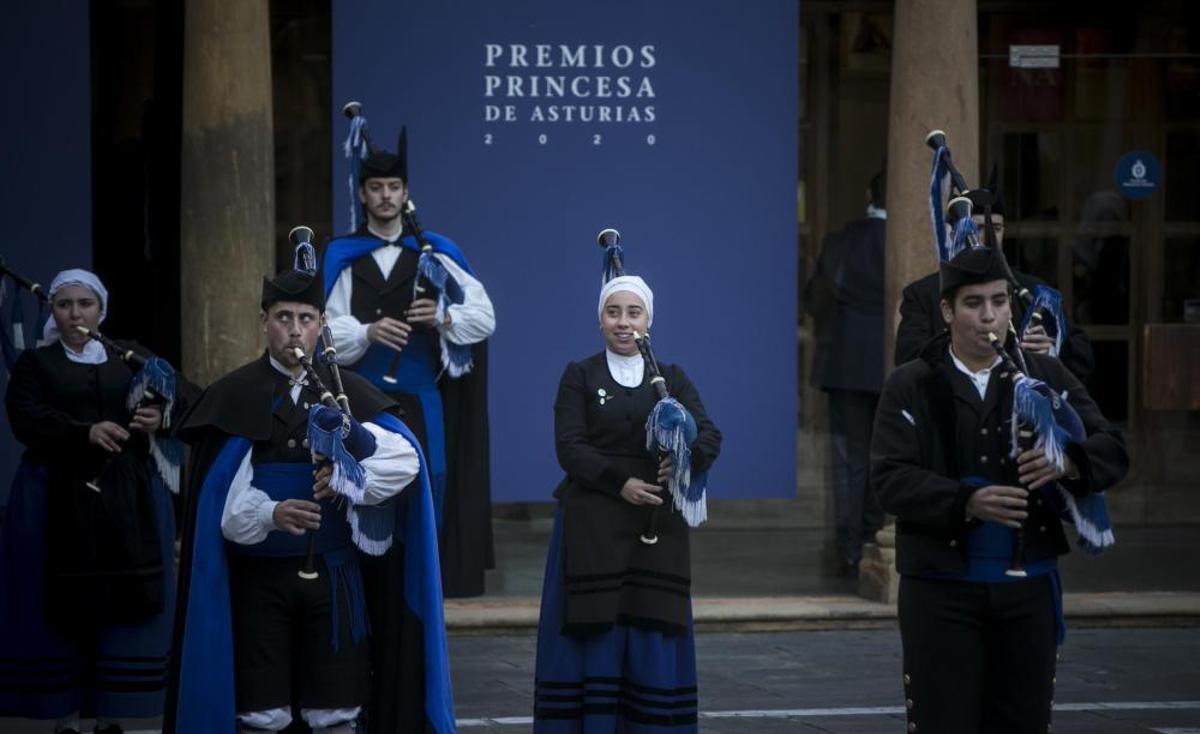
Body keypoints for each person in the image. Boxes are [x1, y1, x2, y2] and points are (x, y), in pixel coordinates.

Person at [167, 256, 454, 733]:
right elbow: (223, 501)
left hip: (336, 580)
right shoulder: (234, 395)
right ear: (264, 323)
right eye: (283, 318)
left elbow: (405, 462)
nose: (295, 331)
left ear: (323, 325)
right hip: (259, 580)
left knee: (336, 709)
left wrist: (349, 479)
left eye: (305, 319)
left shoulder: (349, 393)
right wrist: (271, 513)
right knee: (262, 710)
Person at [870, 240, 1129, 733]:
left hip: (1028, 590)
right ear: (947, 310)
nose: (988, 317)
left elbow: (1113, 449)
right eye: (973, 304)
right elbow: (888, 480)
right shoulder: (910, 383)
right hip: (940, 593)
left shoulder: (1045, 374)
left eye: (998, 301)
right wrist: (967, 501)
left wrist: (1067, 462)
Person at [533, 274, 721, 732]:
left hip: (656, 530)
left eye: (633, 313)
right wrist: (622, 483)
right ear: (600, 320)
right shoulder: (579, 374)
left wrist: (682, 461)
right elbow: (570, 447)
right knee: (595, 630)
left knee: (652, 627)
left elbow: (709, 435)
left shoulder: (671, 378)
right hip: (593, 528)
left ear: (648, 320)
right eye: (613, 312)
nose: (623, 323)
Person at [0, 269, 184, 734]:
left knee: (120, 604)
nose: (75, 313)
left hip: (123, 504)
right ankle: (62, 716)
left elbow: (180, 400)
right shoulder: (35, 365)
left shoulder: (130, 358)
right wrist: (84, 432)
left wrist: (156, 415)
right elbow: (25, 417)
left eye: (86, 304)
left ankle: (111, 716)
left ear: (101, 310)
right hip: (53, 497)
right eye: (65, 305)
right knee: (56, 604)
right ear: (53, 311)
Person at [323, 128, 496, 599]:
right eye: (376, 188)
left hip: (421, 393)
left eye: (394, 188)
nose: (385, 196)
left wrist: (442, 317)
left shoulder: (434, 252)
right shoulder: (342, 256)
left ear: (405, 193)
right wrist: (367, 331)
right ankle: (364, 580)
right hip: (360, 396)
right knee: (361, 483)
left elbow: (483, 318)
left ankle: (421, 583)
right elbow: (323, 332)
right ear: (363, 194)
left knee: (429, 479)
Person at [894, 184, 1096, 382]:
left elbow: (1081, 356)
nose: (988, 237)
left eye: (996, 228)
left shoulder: (1034, 291)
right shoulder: (922, 293)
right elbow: (908, 358)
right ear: (955, 233)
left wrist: (1050, 351)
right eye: (978, 228)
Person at [803, 170, 887, 575]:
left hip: (846, 362)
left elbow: (815, 298)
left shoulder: (843, 240)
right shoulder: (920, 239)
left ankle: (850, 546)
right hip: (895, 362)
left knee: (850, 460)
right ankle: (873, 536)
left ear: (869, 193)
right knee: (886, 454)